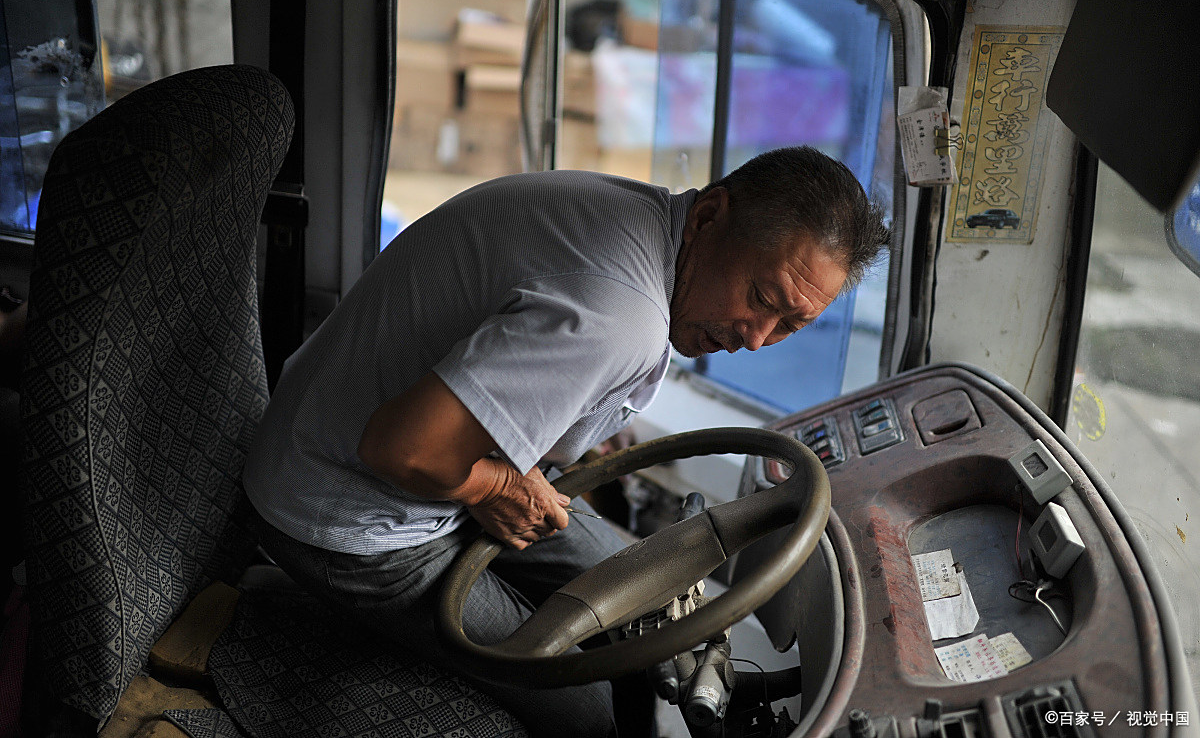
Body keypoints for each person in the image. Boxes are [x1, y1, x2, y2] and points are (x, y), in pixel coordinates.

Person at [242, 146, 888, 737]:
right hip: (346, 515)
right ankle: (282, 609)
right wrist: (494, 485)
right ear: (712, 215)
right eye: (761, 297)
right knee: (588, 712)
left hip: (330, 433)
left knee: (653, 595)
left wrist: (537, 451)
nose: (756, 338)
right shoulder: (617, 316)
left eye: (791, 324)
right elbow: (401, 450)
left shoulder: (638, 215)